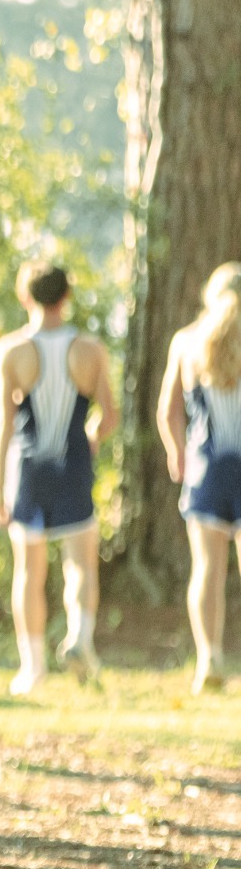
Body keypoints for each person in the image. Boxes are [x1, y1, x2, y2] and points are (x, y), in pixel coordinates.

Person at [0, 261, 118, 695]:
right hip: (73, 462)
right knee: (80, 561)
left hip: (27, 471)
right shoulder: (90, 349)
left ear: (25, 297)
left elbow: (1, 424)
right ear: (67, 297)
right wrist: (93, 438)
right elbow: (109, 414)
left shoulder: (9, 351)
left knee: (29, 569)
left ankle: (33, 668)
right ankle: (79, 638)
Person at [157, 263, 241, 693]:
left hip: (207, 469)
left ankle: (209, 657)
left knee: (207, 568)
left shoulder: (187, 342)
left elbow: (167, 410)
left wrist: (177, 453)